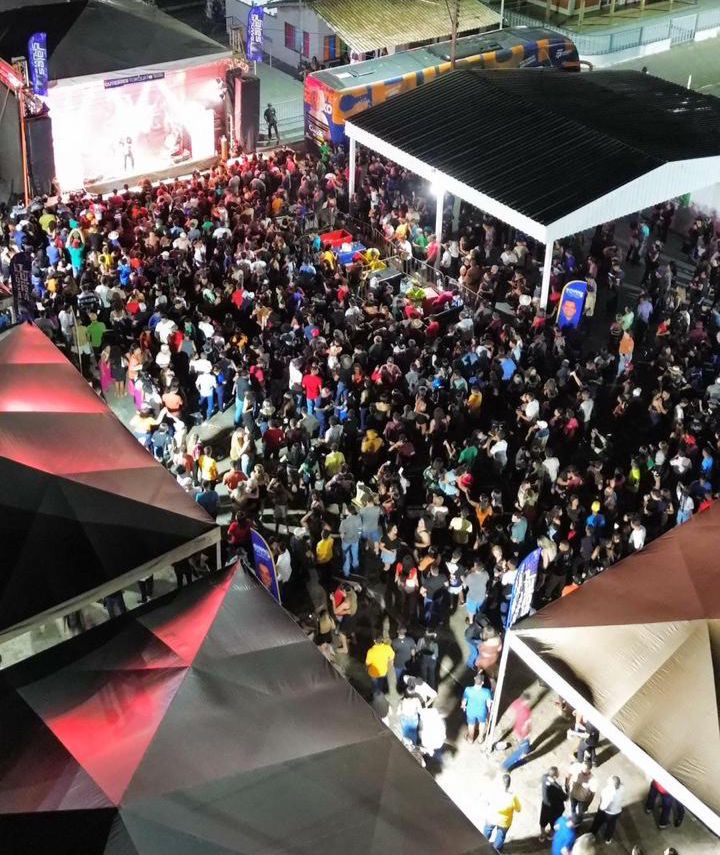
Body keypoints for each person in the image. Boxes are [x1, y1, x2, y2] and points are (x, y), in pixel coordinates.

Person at [483, 773, 521, 852]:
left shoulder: (493, 792)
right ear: (509, 785)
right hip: (504, 822)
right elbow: (518, 809)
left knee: (487, 831)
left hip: (491, 817)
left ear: (501, 783)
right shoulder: (513, 797)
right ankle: (495, 851)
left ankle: (482, 844)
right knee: (500, 836)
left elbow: (486, 801)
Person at [590, 775, 624, 843]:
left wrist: (600, 808)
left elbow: (603, 806)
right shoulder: (622, 787)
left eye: (609, 780)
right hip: (617, 811)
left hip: (608, 812)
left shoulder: (608, 792)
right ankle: (608, 838)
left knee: (597, 822)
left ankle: (591, 835)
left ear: (612, 784)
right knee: (611, 825)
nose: (607, 780)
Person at [461, 673, 493, 743]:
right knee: (482, 723)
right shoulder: (487, 691)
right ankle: (480, 739)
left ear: (474, 679)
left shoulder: (468, 689)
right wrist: (489, 711)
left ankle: (470, 739)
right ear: (482, 682)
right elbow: (488, 703)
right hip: (482, 712)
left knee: (471, 725)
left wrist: (463, 706)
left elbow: (464, 701)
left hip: (470, 711)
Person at [540, 767, 568, 841]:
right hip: (554, 809)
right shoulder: (557, 788)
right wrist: (567, 790)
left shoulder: (544, 778)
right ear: (555, 776)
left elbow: (546, 775)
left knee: (543, 821)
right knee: (553, 823)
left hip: (545, 807)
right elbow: (565, 798)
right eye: (558, 773)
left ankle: (542, 835)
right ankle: (550, 835)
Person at [339, 504, 362, 576]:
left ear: (349, 512)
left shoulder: (344, 522)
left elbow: (342, 534)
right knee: (355, 554)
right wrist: (358, 536)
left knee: (346, 557)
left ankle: (346, 572)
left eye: (346, 509)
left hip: (346, 542)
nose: (345, 510)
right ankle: (355, 566)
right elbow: (360, 530)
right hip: (355, 540)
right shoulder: (358, 519)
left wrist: (342, 541)